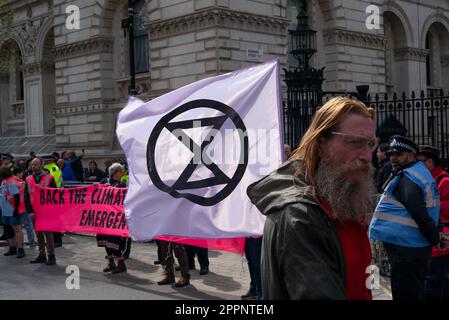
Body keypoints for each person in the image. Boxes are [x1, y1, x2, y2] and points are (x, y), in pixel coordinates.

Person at [247, 97, 377, 299]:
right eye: (355, 143)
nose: (367, 156)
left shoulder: (342, 199)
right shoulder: (300, 216)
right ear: (321, 143)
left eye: (370, 144)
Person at [369, 136, 449, 300]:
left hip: (406, 248)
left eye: (398, 154)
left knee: (406, 293)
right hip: (413, 246)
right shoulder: (420, 173)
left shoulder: (408, 178)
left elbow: (420, 213)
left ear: (411, 155)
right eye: (391, 153)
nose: (392, 158)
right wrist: (437, 235)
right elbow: (431, 208)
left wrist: (435, 238)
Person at [416, 145, 449, 299]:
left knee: (435, 283)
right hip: (432, 238)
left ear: (430, 162)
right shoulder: (430, 179)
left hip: (441, 241)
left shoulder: (444, 180)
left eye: (420, 161)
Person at [97, 163, 128, 274]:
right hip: (103, 216)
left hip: (115, 218)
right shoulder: (103, 182)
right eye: (121, 171)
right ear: (116, 172)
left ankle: (121, 263)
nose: (123, 173)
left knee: (114, 240)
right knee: (105, 240)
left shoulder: (121, 185)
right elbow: (96, 194)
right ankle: (111, 262)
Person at [25, 158, 57, 265]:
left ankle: (51, 256)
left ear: (41, 165)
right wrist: (30, 211)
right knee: (38, 234)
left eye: (35, 164)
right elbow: (26, 197)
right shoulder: (28, 179)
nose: (33, 167)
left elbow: (55, 196)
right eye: (32, 164)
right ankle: (42, 255)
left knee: (48, 234)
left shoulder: (49, 178)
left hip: (46, 211)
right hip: (34, 212)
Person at [0, 167, 25, 258]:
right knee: (8, 230)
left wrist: (16, 210)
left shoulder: (11, 183)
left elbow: (17, 196)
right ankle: (12, 248)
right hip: (5, 211)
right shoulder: (4, 182)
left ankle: (20, 249)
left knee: (17, 229)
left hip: (12, 210)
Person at [42, 155, 64, 247]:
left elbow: (50, 183)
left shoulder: (51, 169)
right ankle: (54, 240)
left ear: (47, 162)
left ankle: (57, 241)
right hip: (53, 196)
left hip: (52, 196)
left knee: (54, 220)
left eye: (43, 161)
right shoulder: (54, 168)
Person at [12, 167, 35, 247]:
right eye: (21, 173)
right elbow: (26, 196)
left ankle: (17, 243)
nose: (22, 174)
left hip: (13, 208)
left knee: (16, 227)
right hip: (23, 207)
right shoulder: (22, 183)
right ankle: (31, 242)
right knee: (28, 225)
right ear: (18, 173)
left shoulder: (10, 182)